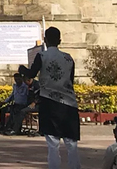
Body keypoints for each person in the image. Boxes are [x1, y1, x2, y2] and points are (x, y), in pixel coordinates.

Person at [27, 27, 80, 169]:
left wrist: (22, 70)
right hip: (69, 104)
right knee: (71, 143)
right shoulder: (68, 58)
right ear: (60, 41)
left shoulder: (42, 56)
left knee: (53, 143)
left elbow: (31, 74)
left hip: (49, 102)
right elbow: (71, 80)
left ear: (45, 40)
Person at [0, 69, 35, 135]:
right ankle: (2, 126)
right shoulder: (15, 86)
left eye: (18, 79)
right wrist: (5, 102)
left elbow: (29, 96)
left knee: (14, 111)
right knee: (3, 109)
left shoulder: (25, 86)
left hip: (23, 104)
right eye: (15, 79)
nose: (17, 81)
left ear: (22, 79)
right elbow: (12, 96)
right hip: (16, 104)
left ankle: (13, 128)